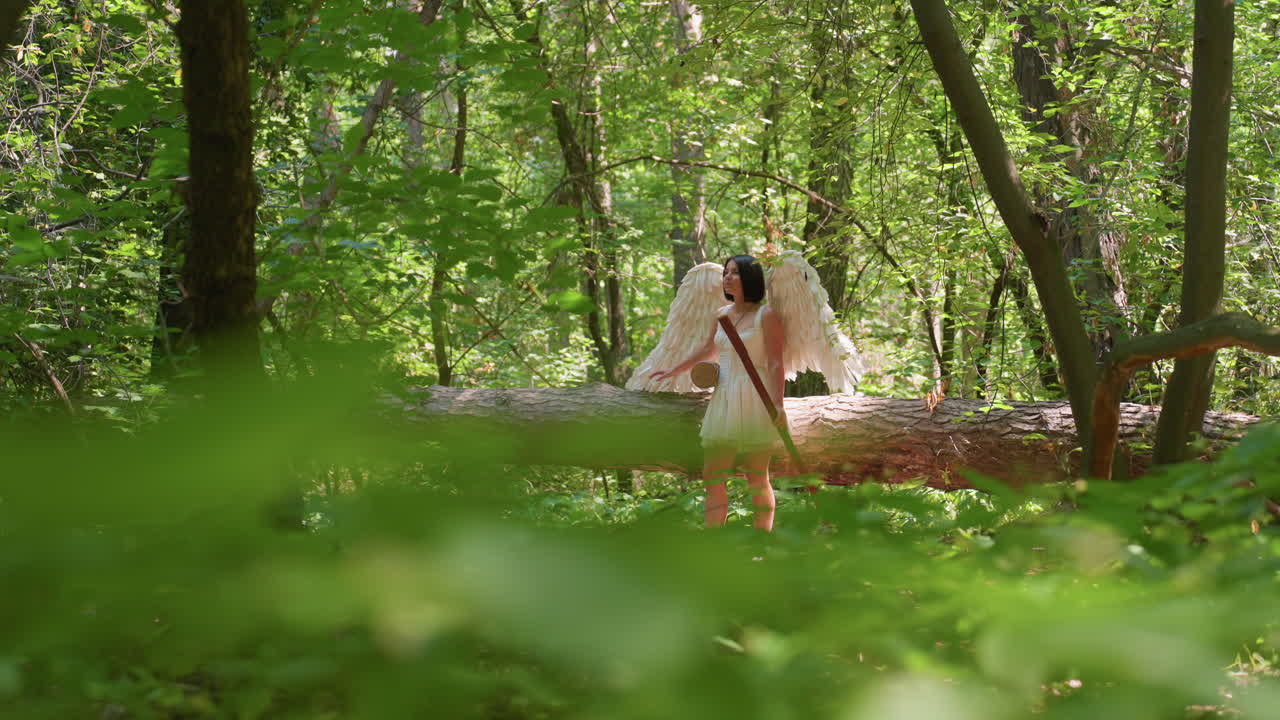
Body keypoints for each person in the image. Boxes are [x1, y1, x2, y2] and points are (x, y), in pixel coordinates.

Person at [649, 255, 787, 531]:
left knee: (757, 476)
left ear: (749, 277)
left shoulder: (766, 315)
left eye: (734, 272)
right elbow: (707, 350)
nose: (727, 277)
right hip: (723, 394)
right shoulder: (722, 315)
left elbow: (775, 362)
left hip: (755, 397)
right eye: (726, 272)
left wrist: (778, 405)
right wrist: (672, 370)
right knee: (712, 475)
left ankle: (761, 541)